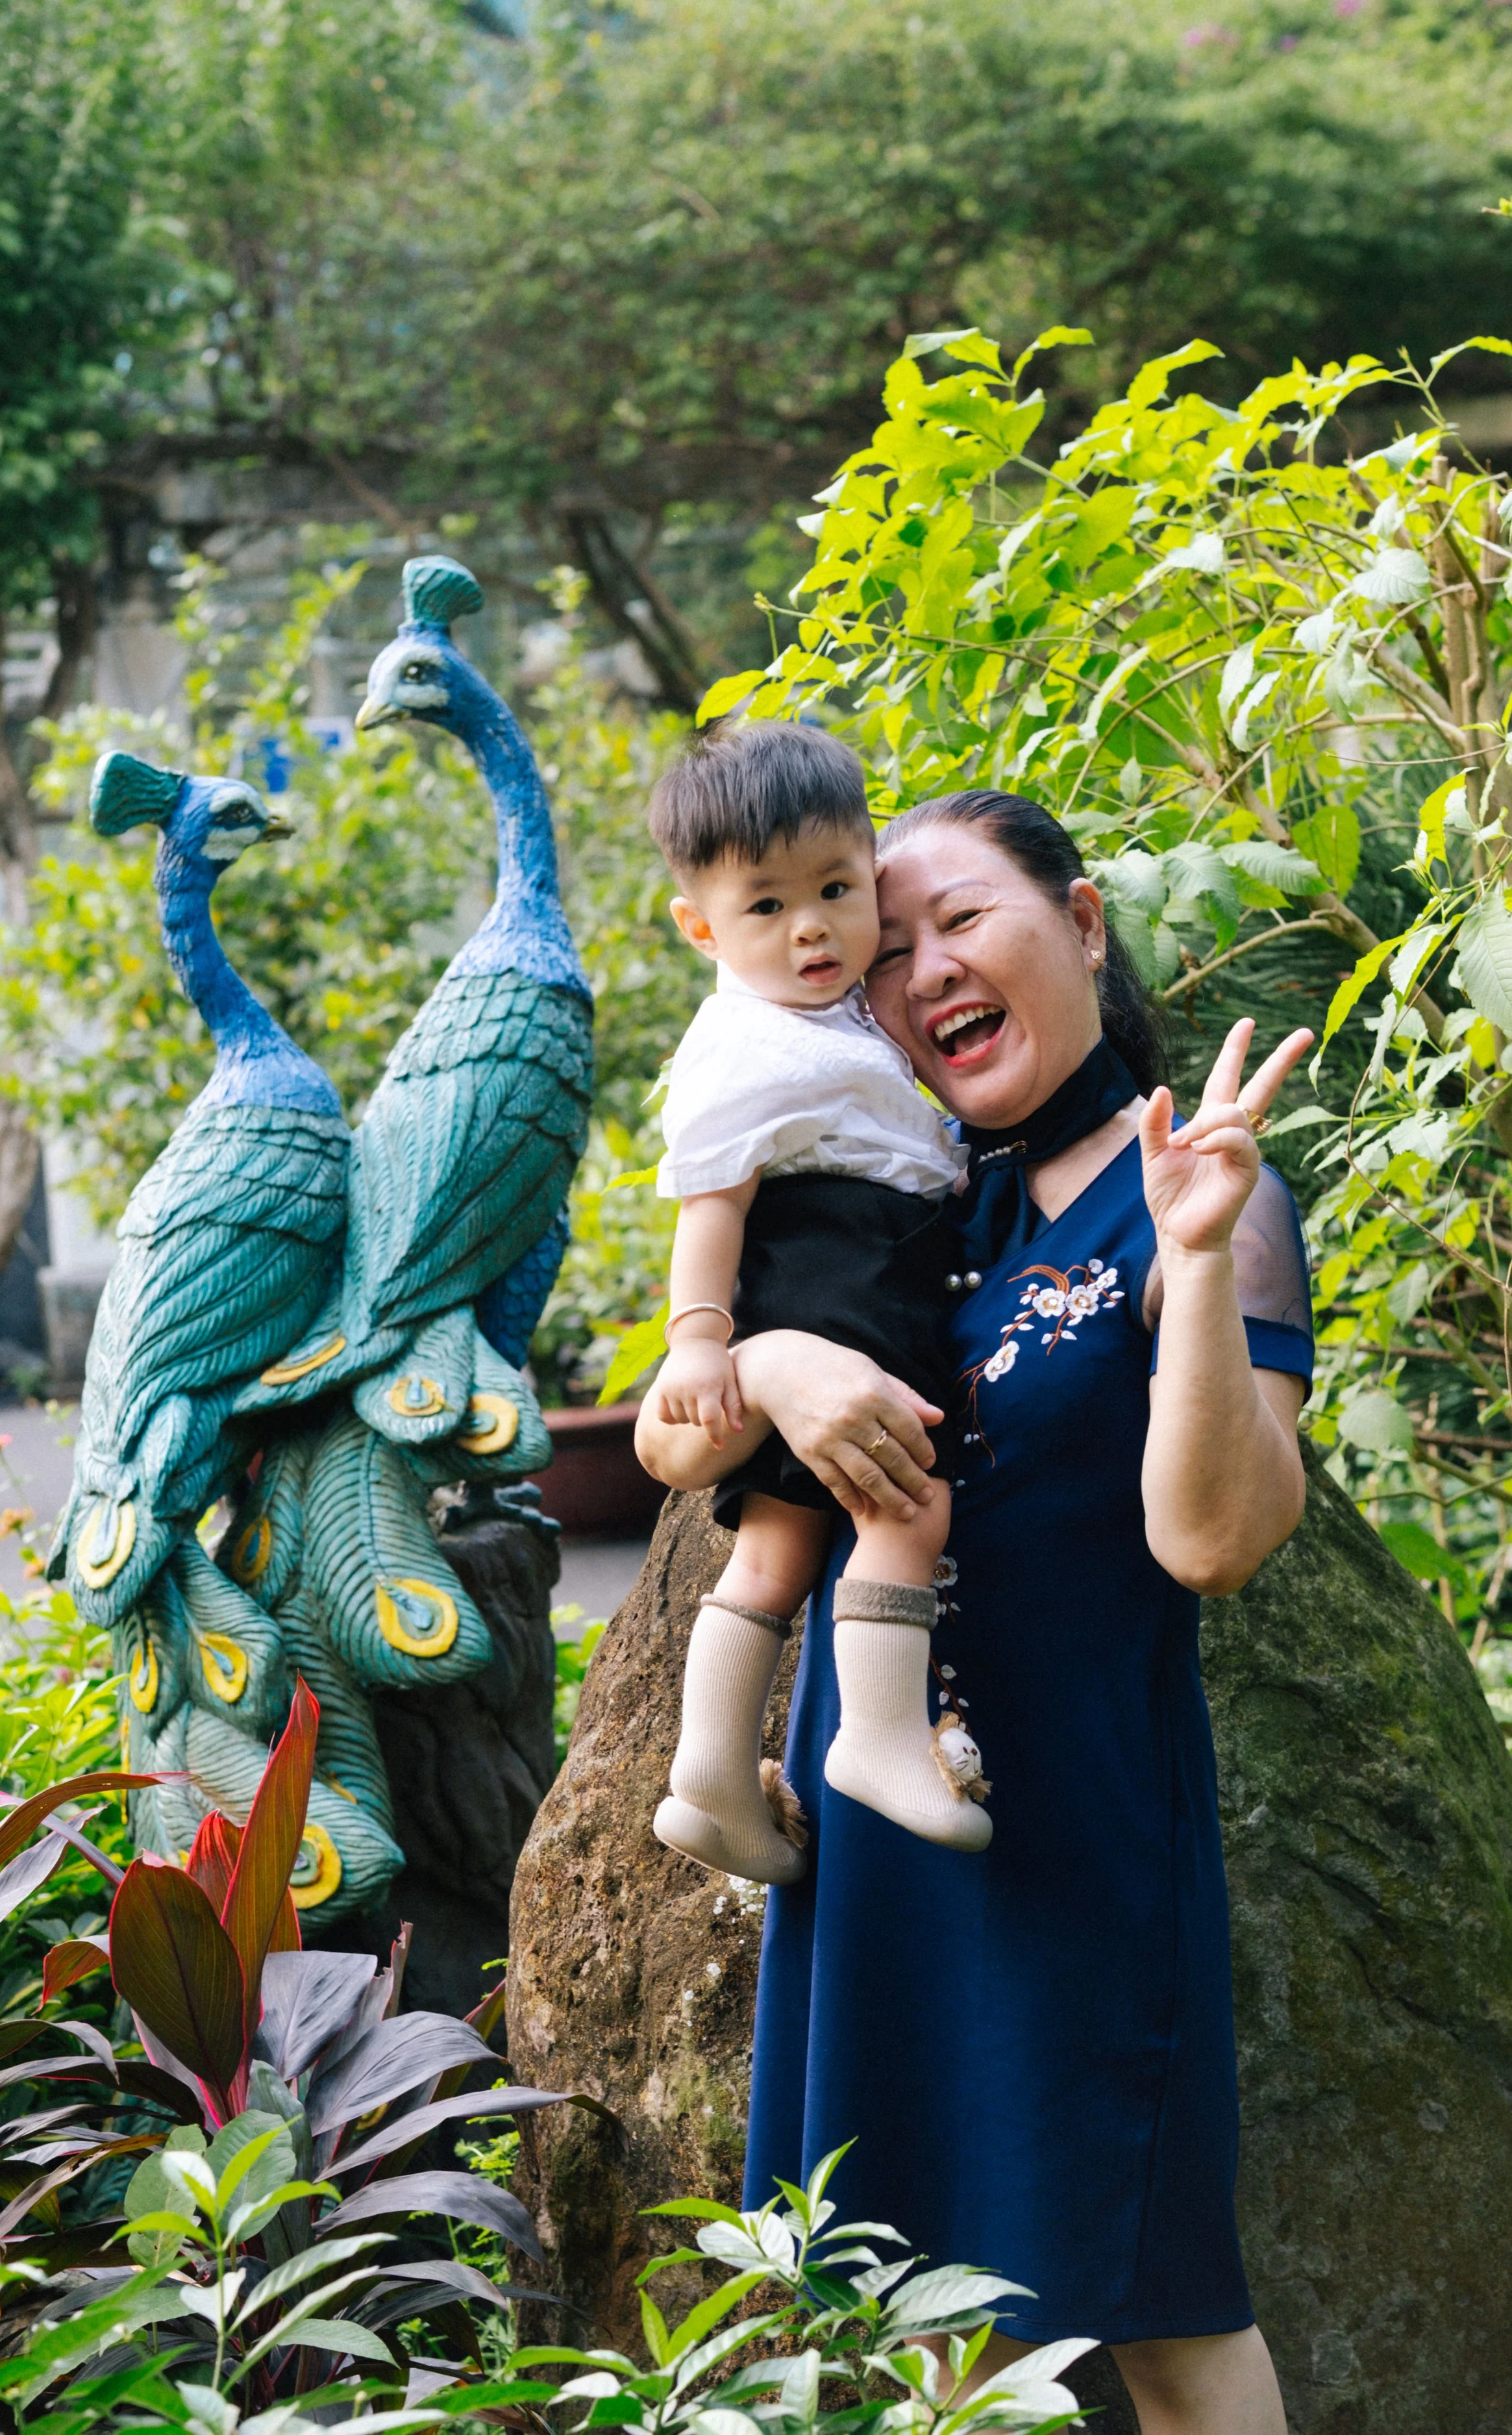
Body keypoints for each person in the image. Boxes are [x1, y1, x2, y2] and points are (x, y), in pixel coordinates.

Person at [636, 786, 1315, 2435]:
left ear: (1079, 923)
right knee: (923, 2326)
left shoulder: (1198, 1195)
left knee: (1159, 2312)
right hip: (873, 1838)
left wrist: (1203, 1261)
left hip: (1073, 1838)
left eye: (965, 920)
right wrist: (780, 1362)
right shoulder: (901, 1175)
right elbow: (673, 1434)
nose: (917, 963)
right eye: (895, 936)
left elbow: (1214, 1539)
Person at [645, 721, 989, 1889]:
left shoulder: (842, 1018)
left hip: (839, 1283)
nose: (810, 930)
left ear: (873, 873)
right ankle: (878, 1736)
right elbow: (711, 1207)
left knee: (777, 1550)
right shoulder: (746, 1046)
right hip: (836, 1286)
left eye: (838, 890)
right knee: (910, 1498)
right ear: (701, 928)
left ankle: (712, 1777)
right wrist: (699, 1338)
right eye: (766, 908)